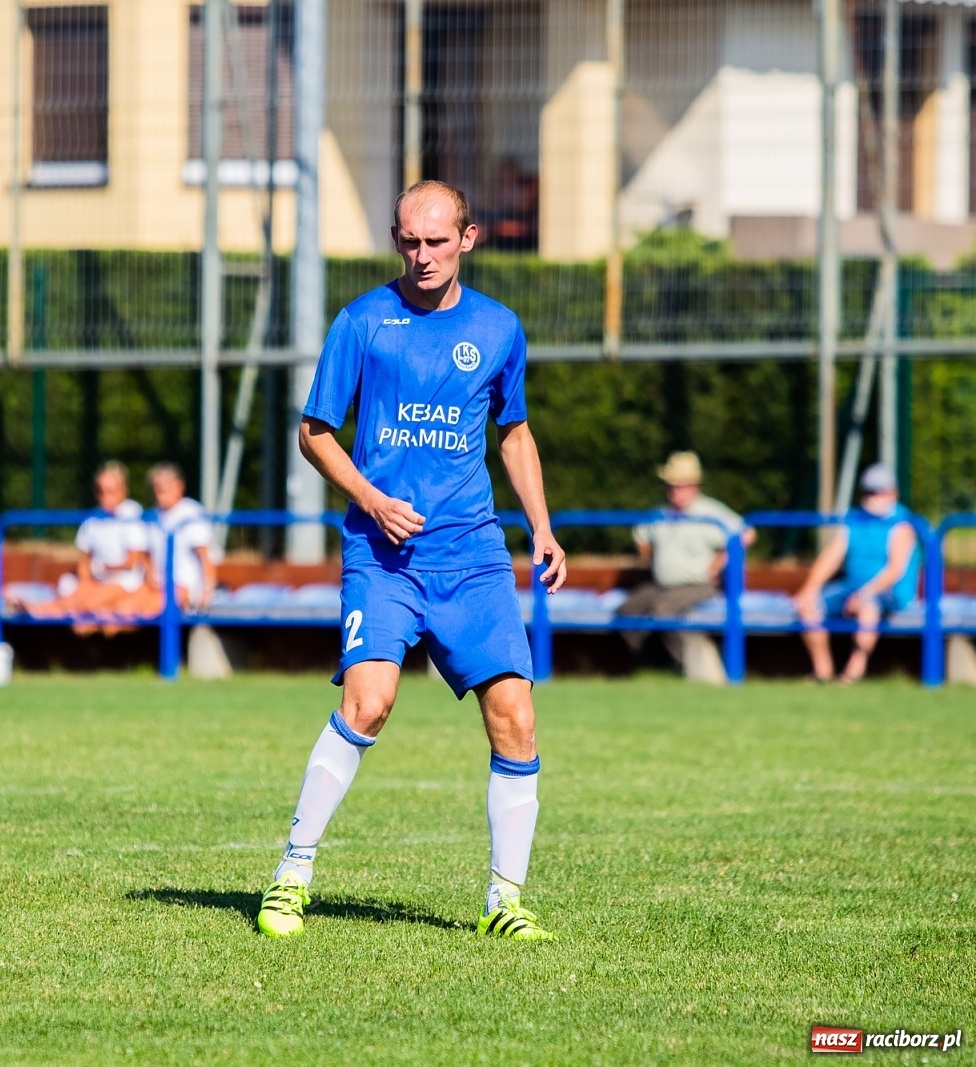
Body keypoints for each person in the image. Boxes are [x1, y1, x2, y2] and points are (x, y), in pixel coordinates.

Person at [255, 180, 568, 942]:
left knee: (517, 717)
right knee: (369, 703)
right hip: (383, 554)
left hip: (472, 555)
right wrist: (369, 496)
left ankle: (505, 901)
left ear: (469, 238)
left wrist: (543, 528)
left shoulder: (499, 328)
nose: (421, 255)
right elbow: (315, 431)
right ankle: (291, 876)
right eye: (408, 241)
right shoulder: (363, 322)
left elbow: (515, 433)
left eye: (436, 240)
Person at [617, 451, 754, 666]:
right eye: (671, 485)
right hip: (661, 585)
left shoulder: (711, 511)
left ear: (694, 486)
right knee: (626, 610)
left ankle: (686, 666)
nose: (674, 490)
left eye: (680, 485)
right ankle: (650, 664)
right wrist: (651, 562)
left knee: (663, 610)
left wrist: (721, 560)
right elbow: (641, 537)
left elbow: (746, 533)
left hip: (698, 584)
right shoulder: (659, 513)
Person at [796, 463, 921, 683]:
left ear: (893, 493)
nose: (872, 497)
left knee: (868, 606)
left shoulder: (902, 523)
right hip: (851, 587)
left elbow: (894, 570)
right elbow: (830, 558)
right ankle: (822, 672)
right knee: (808, 604)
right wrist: (809, 588)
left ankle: (853, 672)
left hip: (889, 592)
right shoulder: (854, 519)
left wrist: (865, 593)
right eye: (868, 491)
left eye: (878, 492)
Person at [18, 461, 157, 633]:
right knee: (77, 595)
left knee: (86, 603)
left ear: (123, 489)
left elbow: (133, 561)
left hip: (125, 581)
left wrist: (101, 568)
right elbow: (83, 557)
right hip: (100, 578)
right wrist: (85, 579)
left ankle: (39, 611)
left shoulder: (132, 514)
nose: (106, 496)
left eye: (111, 490)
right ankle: (38, 611)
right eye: (101, 490)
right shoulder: (93, 518)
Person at [148, 462, 217, 611]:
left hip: (185, 586)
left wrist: (207, 590)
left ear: (179, 486)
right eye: (157, 489)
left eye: (164, 489)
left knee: (145, 607)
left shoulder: (192, 513)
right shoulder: (154, 516)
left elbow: (205, 556)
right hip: (157, 586)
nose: (159, 494)